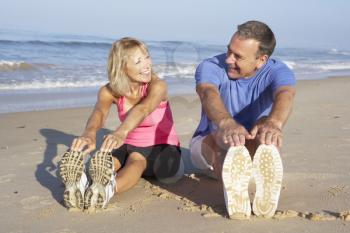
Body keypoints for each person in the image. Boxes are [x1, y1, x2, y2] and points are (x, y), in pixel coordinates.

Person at [58, 37, 183, 211]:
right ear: (122, 68)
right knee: (107, 160)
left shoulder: (158, 86)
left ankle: (107, 190)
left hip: (163, 149)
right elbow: (99, 112)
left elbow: (143, 109)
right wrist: (90, 133)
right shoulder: (109, 91)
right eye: (138, 61)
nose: (147, 64)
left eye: (147, 57)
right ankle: (82, 184)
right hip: (128, 143)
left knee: (136, 159)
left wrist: (121, 132)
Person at [189, 20, 296, 219]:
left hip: (250, 143)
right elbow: (207, 93)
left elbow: (286, 94)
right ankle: (236, 188)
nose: (229, 59)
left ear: (261, 60)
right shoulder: (210, 66)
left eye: (237, 56)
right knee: (222, 138)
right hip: (207, 144)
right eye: (229, 51)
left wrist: (275, 123)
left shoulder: (278, 71)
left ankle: (259, 167)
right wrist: (225, 123)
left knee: (264, 124)